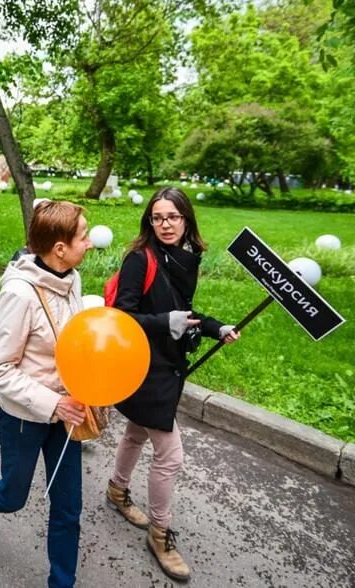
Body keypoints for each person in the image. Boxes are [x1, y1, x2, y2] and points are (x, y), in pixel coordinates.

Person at [105, 187, 240, 582]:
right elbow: (121, 317)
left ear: (186, 220)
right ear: (150, 221)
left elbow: (183, 307)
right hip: (142, 366)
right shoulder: (138, 259)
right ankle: (160, 534)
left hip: (169, 363)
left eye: (173, 217)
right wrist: (166, 322)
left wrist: (216, 327)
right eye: (158, 217)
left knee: (134, 433)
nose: (165, 224)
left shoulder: (186, 258)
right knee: (170, 454)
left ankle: (116, 489)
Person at [0, 200, 91, 588]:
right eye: (83, 236)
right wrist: (53, 402)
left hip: (68, 414)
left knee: (68, 508)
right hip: (24, 417)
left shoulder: (73, 279)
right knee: (14, 496)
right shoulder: (18, 294)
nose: (89, 243)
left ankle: (61, 582)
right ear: (59, 248)